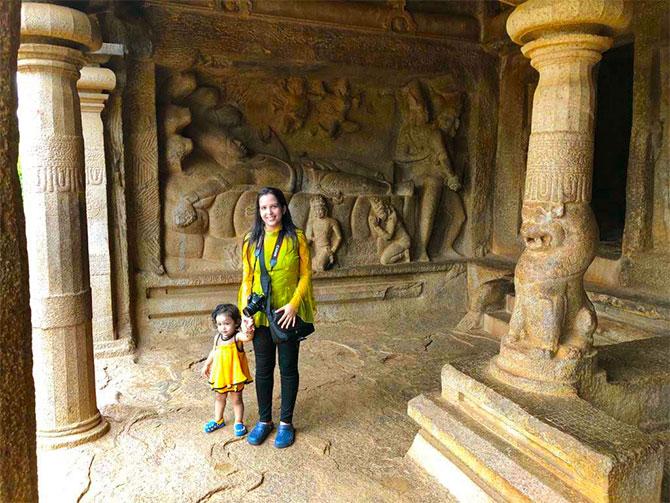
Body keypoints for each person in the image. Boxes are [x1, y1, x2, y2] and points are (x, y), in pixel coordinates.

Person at [238, 187, 316, 448]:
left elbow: (305, 274)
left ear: (283, 208)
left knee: (288, 368)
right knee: (263, 369)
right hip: (260, 315)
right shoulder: (252, 240)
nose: (268, 212)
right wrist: (244, 314)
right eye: (263, 208)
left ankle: (285, 423)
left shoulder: (297, 237)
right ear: (258, 212)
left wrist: (294, 305)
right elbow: (247, 279)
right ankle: (264, 421)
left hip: (286, 314)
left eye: (273, 206)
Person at [201, 304, 254, 436]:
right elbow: (214, 351)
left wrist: (248, 328)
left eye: (226, 323)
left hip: (235, 376)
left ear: (236, 323)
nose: (222, 328)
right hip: (221, 375)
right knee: (219, 397)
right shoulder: (217, 338)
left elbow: (248, 337)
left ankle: (238, 422)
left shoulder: (237, 338)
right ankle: (218, 420)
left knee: (237, 400)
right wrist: (207, 364)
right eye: (219, 324)